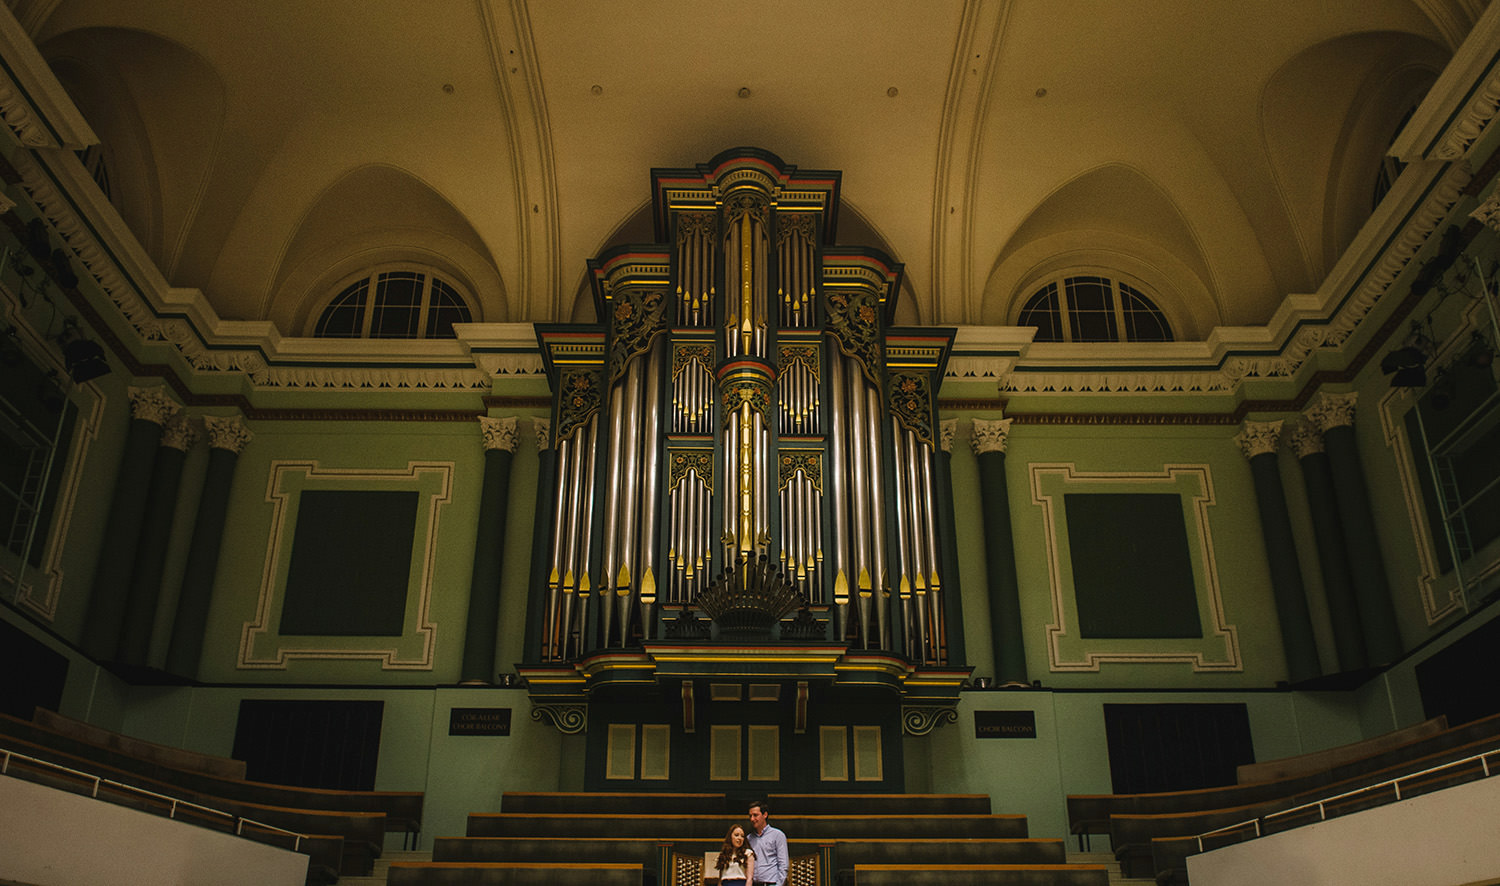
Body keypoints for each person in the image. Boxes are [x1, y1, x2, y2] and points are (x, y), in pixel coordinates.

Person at [745, 799, 787, 886]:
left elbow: (783, 865)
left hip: (771, 883)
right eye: (750, 816)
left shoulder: (778, 835)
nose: (752, 819)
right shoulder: (749, 838)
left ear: (765, 815)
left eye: (755, 815)